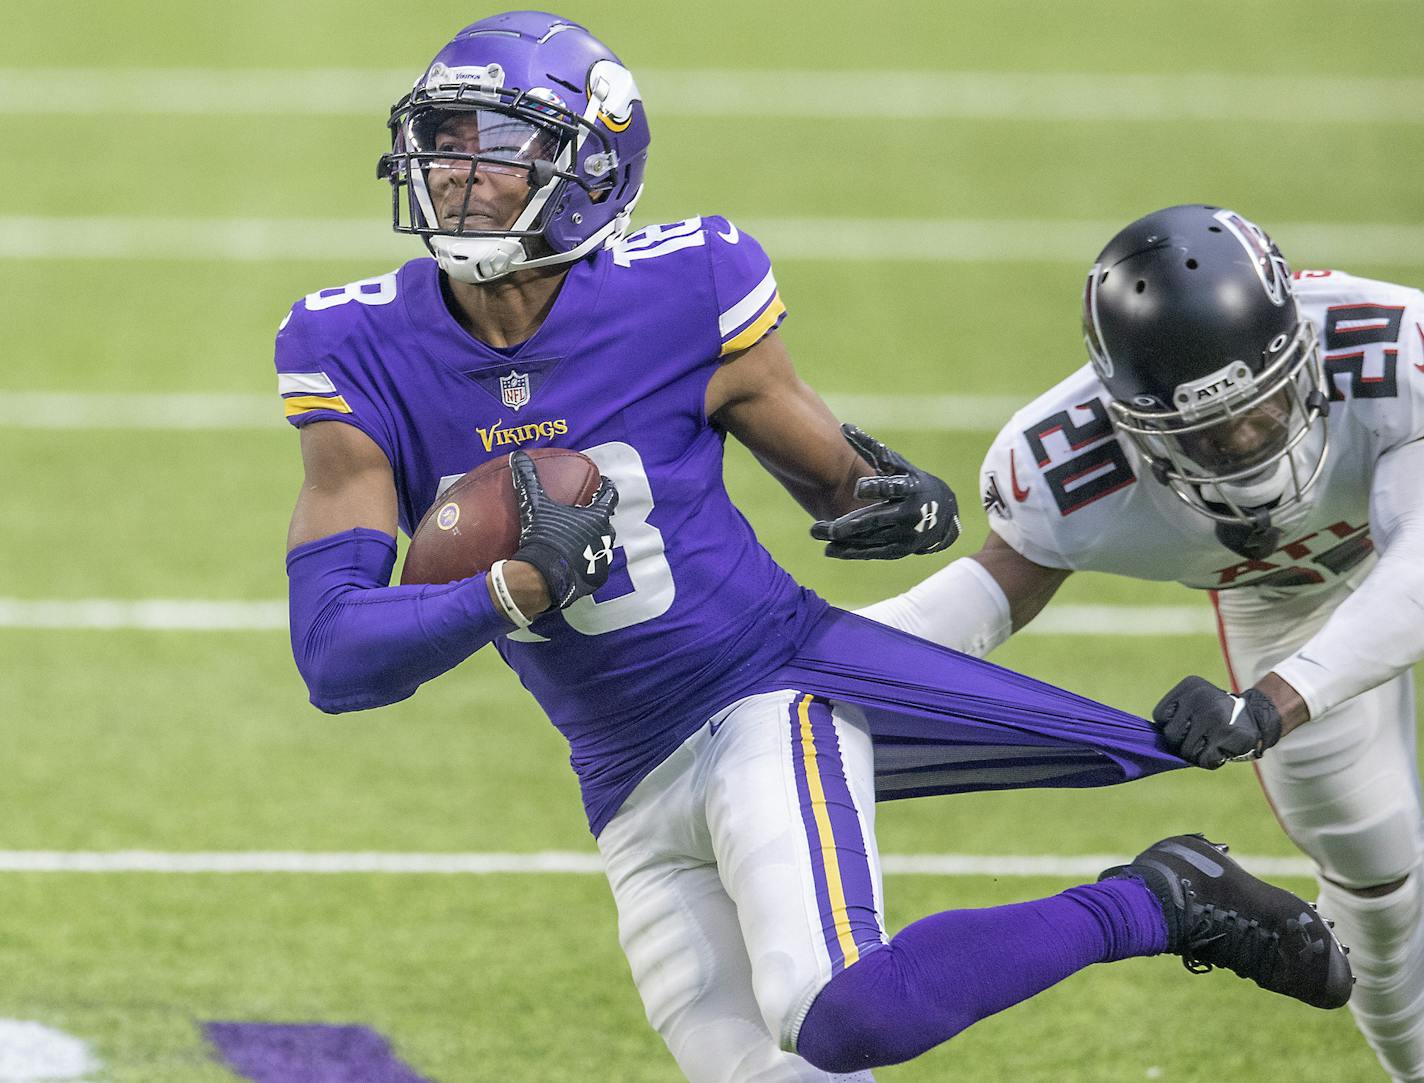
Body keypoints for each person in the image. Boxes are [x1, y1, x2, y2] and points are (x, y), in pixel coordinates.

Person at [274, 16, 1350, 1080]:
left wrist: (893, 500)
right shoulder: (353, 348)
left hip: (762, 693)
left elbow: (836, 480)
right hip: (625, 779)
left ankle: (1155, 899)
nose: (460, 170)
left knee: (840, 1014)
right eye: (448, 137)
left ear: (592, 167)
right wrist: (510, 589)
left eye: (501, 144)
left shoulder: (685, 285)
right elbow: (332, 658)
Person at [857, 203, 1422, 1080]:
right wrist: (787, 661)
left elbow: (1413, 580)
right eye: (1204, 430)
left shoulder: (1393, 351)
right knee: (1376, 877)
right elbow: (979, 602)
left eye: (1261, 410)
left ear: (1302, 358)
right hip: (1286, 597)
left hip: (1391, 545)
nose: (1242, 445)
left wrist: (1267, 704)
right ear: (1129, 419)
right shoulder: (1064, 462)